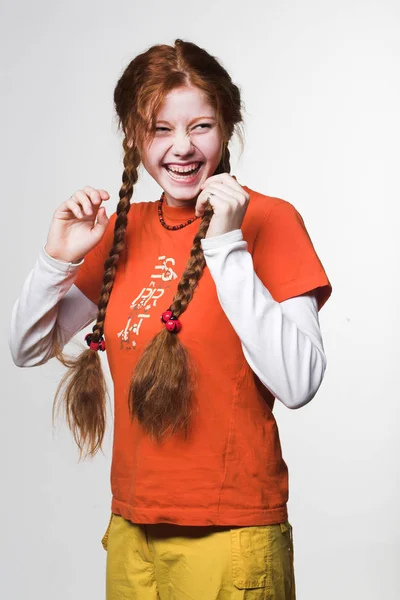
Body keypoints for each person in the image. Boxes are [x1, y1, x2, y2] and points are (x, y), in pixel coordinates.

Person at [9, 38, 332, 599]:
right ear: (134, 136)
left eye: (200, 126)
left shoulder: (272, 220)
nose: (181, 147)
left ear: (227, 128)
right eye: (160, 128)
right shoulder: (122, 230)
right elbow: (28, 347)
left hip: (233, 533)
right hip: (133, 530)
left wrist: (227, 245)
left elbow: (299, 381)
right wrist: (55, 259)